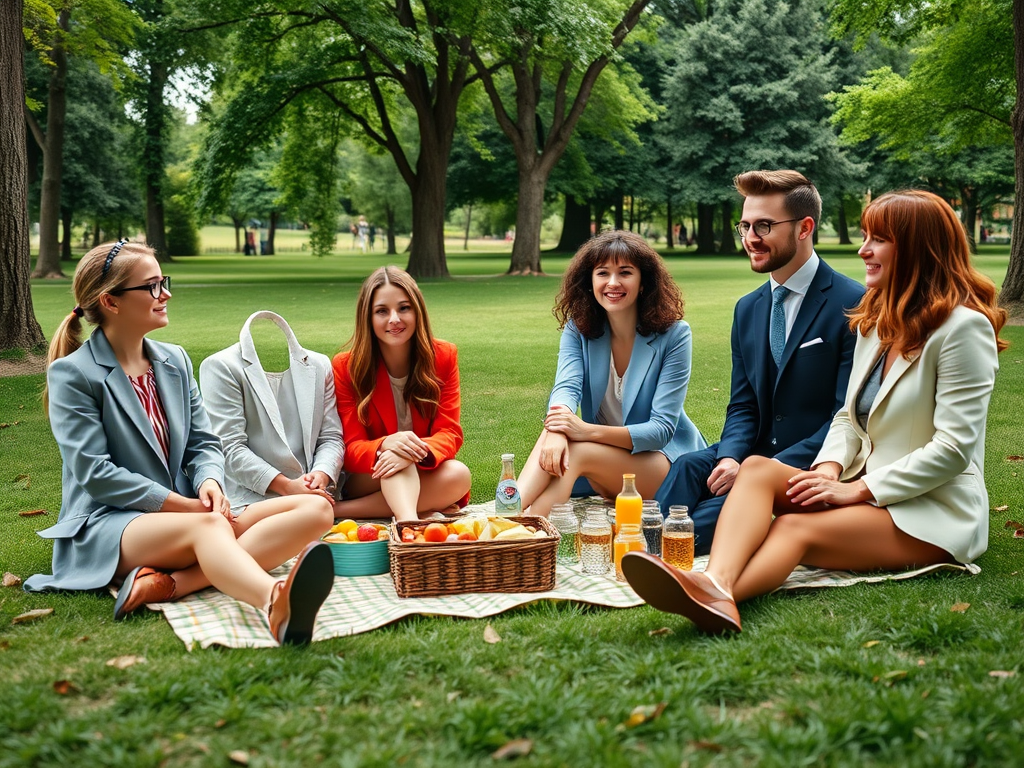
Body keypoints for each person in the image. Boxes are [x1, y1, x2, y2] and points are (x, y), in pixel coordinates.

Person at [624, 189, 1007, 633]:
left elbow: (954, 448)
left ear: (919, 248)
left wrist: (858, 491)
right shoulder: (876, 319)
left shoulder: (963, 329)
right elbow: (848, 416)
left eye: (877, 239)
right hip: (859, 480)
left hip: (931, 510)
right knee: (756, 468)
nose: (863, 249)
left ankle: (717, 591)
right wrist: (828, 470)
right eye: (865, 236)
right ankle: (714, 586)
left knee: (792, 530)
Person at [24, 241, 335, 645]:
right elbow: (96, 475)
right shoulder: (73, 375)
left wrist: (209, 484)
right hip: (108, 524)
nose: (165, 293)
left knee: (316, 509)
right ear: (111, 302)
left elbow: (204, 443)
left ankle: (170, 585)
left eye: (163, 281)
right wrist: (187, 507)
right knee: (210, 527)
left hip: (188, 517)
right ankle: (275, 603)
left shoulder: (175, 360)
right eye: (151, 286)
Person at [655, 170, 865, 553]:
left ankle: (658, 548)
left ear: (804, 228)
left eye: (764, 226)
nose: (751, 238)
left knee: (724, 503)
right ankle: (640, 540)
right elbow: (743, 403)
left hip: (812, 460)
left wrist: (756, 472)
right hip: (754, 449)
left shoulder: (854, 304)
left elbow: (848, 414)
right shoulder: (748, 308)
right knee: (688, 465)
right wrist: (731, 456)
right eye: (745, 226)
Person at [516, 230, 706, 516]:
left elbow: (661, 430)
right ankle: (510, 518)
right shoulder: (578, 329)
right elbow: (566, 388)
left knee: (576, 448)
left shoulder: (675, 335)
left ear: (643, 282)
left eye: (625, 272)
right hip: (607, 466)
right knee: (557, 436)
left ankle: (519, 531)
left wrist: (583, 431)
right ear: (589, 281)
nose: (613, 283)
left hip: (665, 465)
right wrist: (557, 431)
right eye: (602, 273)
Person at [332, 266, 471, 521]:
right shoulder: (346, 367)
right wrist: (387, 445)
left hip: (419, 465)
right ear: (368, 317)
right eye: (382, 311)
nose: (394, 319)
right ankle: (409, 522)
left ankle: (338, 511)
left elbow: (449, 433)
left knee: (459, 475)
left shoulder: (443, 356)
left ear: (417, 311)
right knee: (394, 460)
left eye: (404, 308)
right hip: (369, 474)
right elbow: (350, 449)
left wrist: (409, 449)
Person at [199, 310, 345, 513]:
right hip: (249, 497)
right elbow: (229, 447)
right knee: (313, 515)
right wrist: (287, 486)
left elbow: (331, 437)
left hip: (314, 492)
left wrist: (320, 475)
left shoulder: (319, 365)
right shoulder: (221, 366)